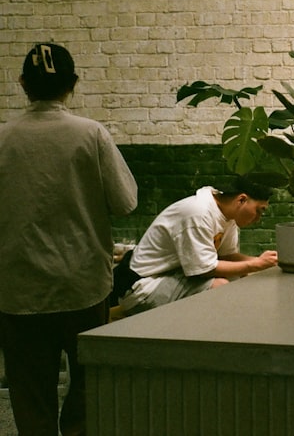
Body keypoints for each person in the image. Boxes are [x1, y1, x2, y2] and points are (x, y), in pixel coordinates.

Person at [0, 42, 139, 436]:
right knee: (86, 389)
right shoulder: (91, 135)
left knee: (31, 396)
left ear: (24, 84)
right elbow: (126, 202)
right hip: (84, 288)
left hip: (18, 291)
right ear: (72, 84)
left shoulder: (2, 138)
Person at [119, 177, 278, 315]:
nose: (259, 218)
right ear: (241, 200)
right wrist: (255, 264)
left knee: (243, 276)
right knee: (220, 286)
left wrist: (265, 264)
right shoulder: (198, 213)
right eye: (259, 210)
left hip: (173, 275)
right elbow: (204, 270)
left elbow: (226, 256)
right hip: (143, 288)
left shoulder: (227, 216)